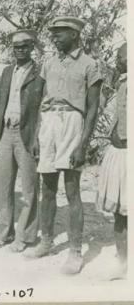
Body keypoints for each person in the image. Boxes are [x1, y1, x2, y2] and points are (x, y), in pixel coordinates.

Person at [25, 17, 102, 275]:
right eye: (53, 34)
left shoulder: (90, 65)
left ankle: (75, 251)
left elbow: (92, 109)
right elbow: (41, 102)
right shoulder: (49, 63)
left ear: (74, 34)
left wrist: (83, 144)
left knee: (71, 189)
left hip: (73, 122)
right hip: (48, 123)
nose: (55, 38)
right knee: (46, 187)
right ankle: (46, 240)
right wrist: (37, 135)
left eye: (59, 33)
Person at [0, 30, 44, 251]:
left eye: (24, 46)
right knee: (2, 185)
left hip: (28, 134)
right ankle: (4, 233)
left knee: (30, 187)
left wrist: (38, 137)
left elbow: (43, 107)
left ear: (32, 47)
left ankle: (26, 236)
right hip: (5, 132)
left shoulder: (40, 73)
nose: (19, 50)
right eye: (16, 47)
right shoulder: (6, 72)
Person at [96, 42, 127, 280]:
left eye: (123, 57)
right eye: (118, 57)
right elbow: (109, 117)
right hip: (119, 154)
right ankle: (122, 259)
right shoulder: (121, 84)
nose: (119, 61)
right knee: (120, 211)